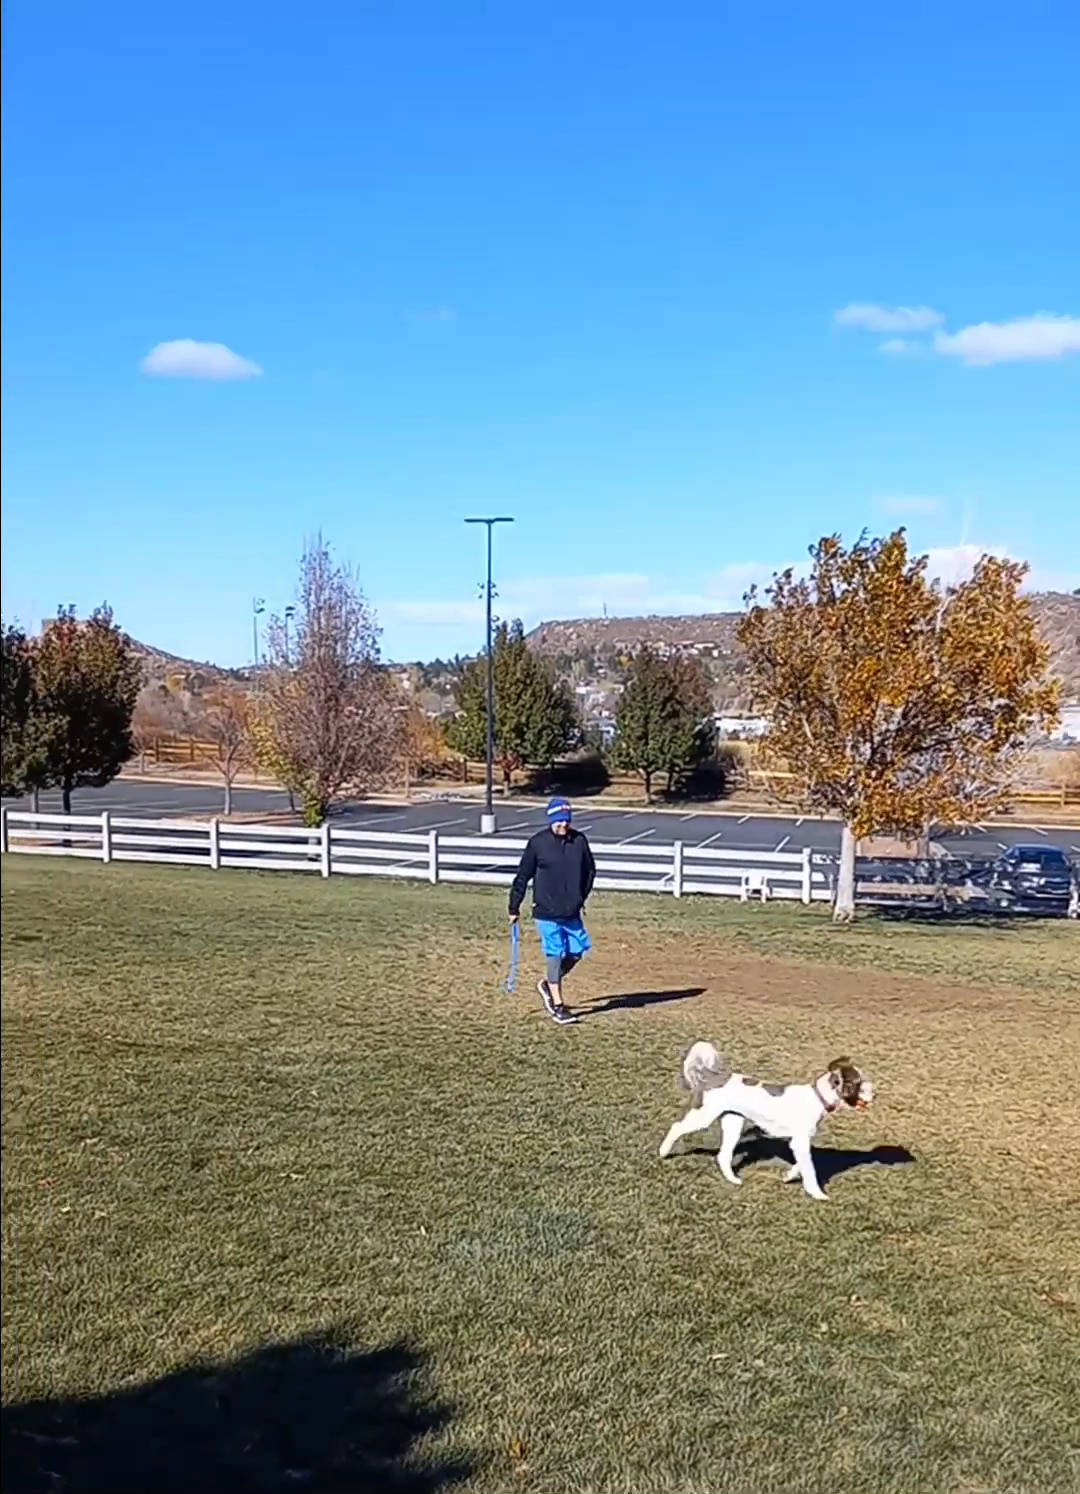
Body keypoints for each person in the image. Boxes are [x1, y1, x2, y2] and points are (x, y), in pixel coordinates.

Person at [508, 796, 596, 1025]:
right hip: (546, 911)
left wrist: (580, 897)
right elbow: (522, 876)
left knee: (578, 950)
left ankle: (548, 983)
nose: (563, 825)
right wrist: (514, 906)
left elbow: (590, 872)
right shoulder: (538, 843)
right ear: (551, 819)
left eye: (566, 820)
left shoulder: (579, 841)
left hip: (571, 911)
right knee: (555, 953)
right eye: (559, 821)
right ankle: (557, 1005)